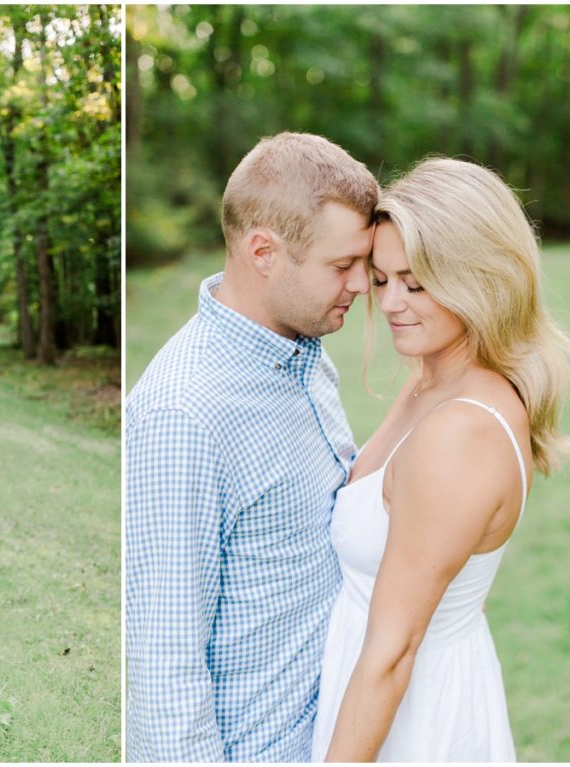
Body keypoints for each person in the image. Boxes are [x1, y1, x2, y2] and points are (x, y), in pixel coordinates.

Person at [310, 158, 570, 761]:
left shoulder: (461, 432)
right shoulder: (431, 376)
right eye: (382, 280)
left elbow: (394, 651)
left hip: (408, 722)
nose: (394, 303)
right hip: (377, 692)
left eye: (418, 280)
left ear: (479, 277)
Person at [126, 132, 379, 761]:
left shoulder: (306, 356)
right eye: (341, 265)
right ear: (264, 251)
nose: (363, 284)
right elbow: (163, 667)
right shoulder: (182, 414)